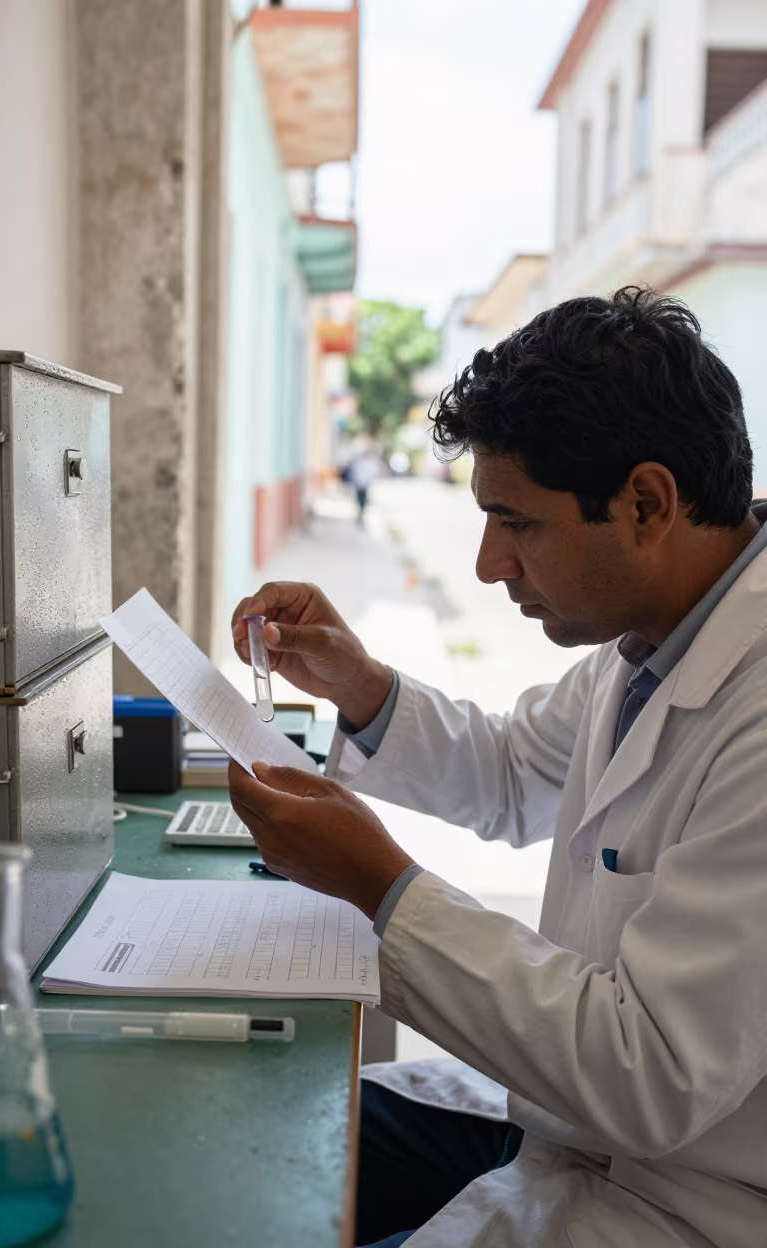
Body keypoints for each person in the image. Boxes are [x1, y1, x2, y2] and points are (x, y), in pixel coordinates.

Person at [229, 288, 767, 1248]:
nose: (486, 565)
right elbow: (516, 771)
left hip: (692, 1194)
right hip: (568, 1120)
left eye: (515, 523)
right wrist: (359, 685)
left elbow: (652, 1071)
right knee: (258, 1143)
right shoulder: (652, 638)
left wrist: (380, 885)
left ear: (646, 503)